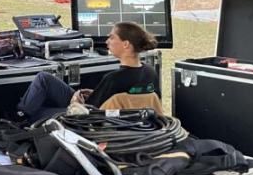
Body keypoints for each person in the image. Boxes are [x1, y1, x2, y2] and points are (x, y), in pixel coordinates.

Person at [17, 21, 158, 122]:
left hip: (85, 118)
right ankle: (22, 112)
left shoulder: (114, 78)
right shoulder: (150, 71)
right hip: (123, 116)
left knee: (36, 111)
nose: (107, 41)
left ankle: (19, 118)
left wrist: (75, 103)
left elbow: (90, 111)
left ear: (126, 44)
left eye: (112, 37)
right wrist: (93, 93)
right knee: (44, 78)